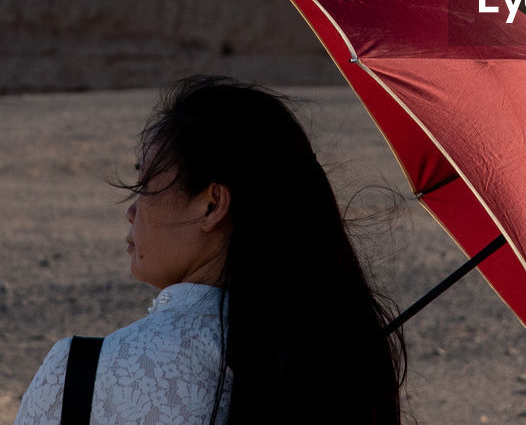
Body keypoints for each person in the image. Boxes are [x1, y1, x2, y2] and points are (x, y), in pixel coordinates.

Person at [14, 76, 406, 424]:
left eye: (146, 185)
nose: (131, 212)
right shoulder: (343, 368)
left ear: (212, 204)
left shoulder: (80, 374)